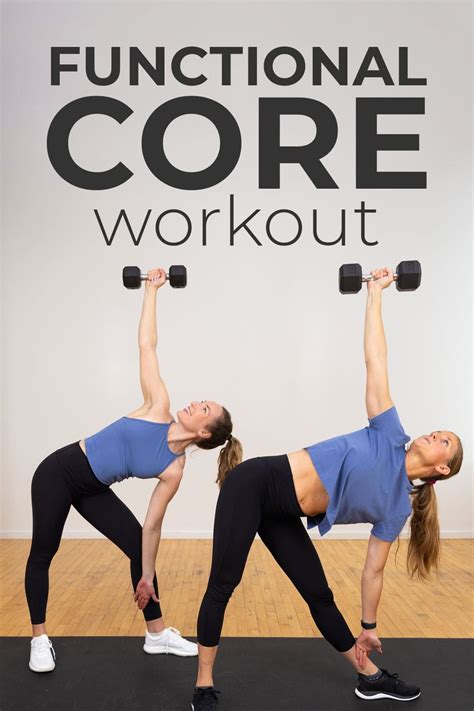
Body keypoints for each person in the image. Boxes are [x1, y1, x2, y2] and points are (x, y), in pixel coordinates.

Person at [187, 267, 463, 709]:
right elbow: (376, 360)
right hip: (253, 484)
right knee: (224, 582)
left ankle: (368, 676)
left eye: (444, 440)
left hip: (284, 512)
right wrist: (374, 294)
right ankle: (203, 682)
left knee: (319, 594)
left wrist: (368, 624)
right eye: (438, 430)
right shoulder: (389, 432)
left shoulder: (397, 509)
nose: (434, 434)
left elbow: (373, 569)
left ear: (443, 468)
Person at [24, 268, 243, 673]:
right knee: (43, 552)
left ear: (205, 432)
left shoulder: (174, 468)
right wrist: (151, 290)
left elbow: (152, 526)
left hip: (91, 487)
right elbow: (147, 345)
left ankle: (156, 635)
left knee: (138, 548)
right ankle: (39, 638)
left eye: (205, 409)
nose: (197, 403)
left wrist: (145, 574)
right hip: (59, 471)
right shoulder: (157, 406)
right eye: (202, 401)